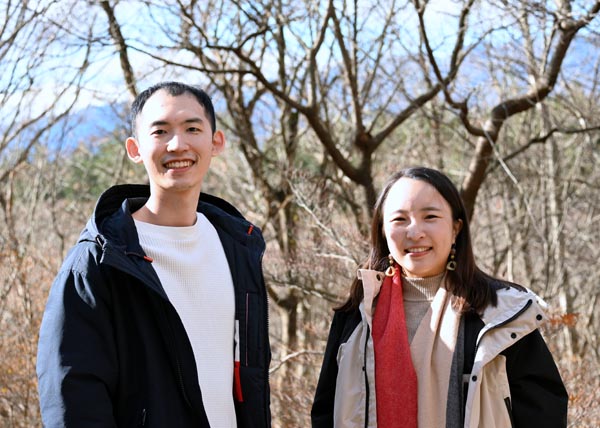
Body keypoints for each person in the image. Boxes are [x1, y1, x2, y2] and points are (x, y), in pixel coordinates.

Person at [37, 81, 271, 427]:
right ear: (135, 149)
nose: (177, 144)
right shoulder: (98, 262)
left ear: (216, 142)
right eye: (160, 132)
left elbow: (246, 381)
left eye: (193, 129)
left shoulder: (238, 247)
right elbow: (73, 398)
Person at [311, 166, 567, 427]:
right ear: (383, 231)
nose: (415, 232)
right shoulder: (358, 314)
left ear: (456, 228)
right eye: (399, 219)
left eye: (430, 216)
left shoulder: (499, 314)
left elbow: (544, 413)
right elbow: (324, 413)